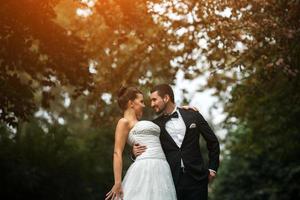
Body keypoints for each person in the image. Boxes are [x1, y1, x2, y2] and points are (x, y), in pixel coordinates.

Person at [133, 84, 220, 200]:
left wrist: (212, 168)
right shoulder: (155, 125)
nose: (152, 104)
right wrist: (134, 153)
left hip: (197, 180)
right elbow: (149, 150)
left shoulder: (193, 115)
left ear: (166, 98)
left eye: (154, 100)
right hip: (171, 182)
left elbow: (212, 142)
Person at [105, 86, 177, 200]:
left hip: (162, 168)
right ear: (131, 103)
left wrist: (182, 109)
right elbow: (117, 152)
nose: (144, 105)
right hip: (145, 168)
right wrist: (117, 182)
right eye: (141, 101)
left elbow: (167, 117)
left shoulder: (142, 122)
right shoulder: (124, 122)